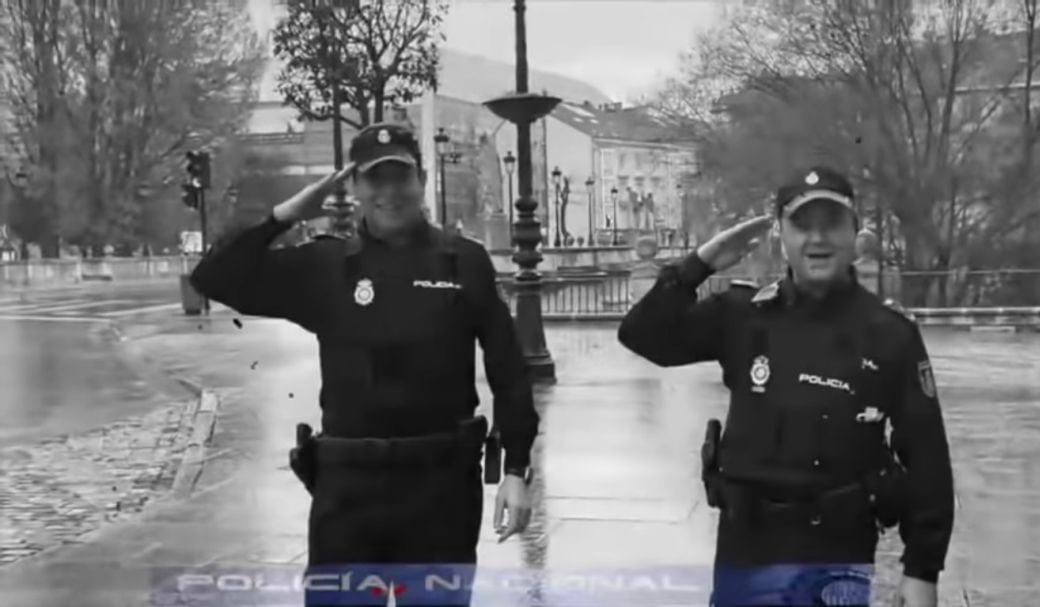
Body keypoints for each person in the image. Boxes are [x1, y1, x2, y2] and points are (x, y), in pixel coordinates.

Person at [189, 123, 539, 606]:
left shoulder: (463, 262)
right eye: (376, 180)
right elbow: (214, 277)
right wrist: (288, 214)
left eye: (402, 177)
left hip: (440, 488)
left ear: (420, 180)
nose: (390, 192)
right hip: (349, 491)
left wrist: (516, 469)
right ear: (354, 188)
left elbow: (509, 370)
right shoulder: (325, 267)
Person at [618, 167, 954, 607]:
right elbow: (643, 335)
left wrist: (922, 571)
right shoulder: (743, 315)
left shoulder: (890, 334)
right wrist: (697, 265)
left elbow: (927, 458)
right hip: (747, 547)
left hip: (838, 549)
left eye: (832, 224)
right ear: (780, 234)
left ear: (855, 233)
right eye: (802, 225)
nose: (817, 239)